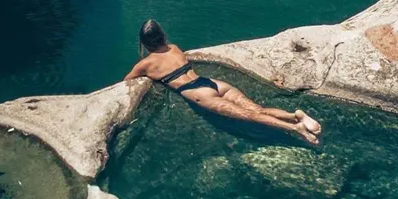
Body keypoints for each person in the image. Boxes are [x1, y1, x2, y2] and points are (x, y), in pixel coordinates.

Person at [125, 20, 322, 145]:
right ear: (163, 36)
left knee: (250, 116)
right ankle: (294, 116)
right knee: (257, 109)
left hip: (200, 94)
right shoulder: (174, 48)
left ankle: (296, 128)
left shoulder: (146, 64)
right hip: (213, 83)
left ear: (144, 43)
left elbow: (126, 83)